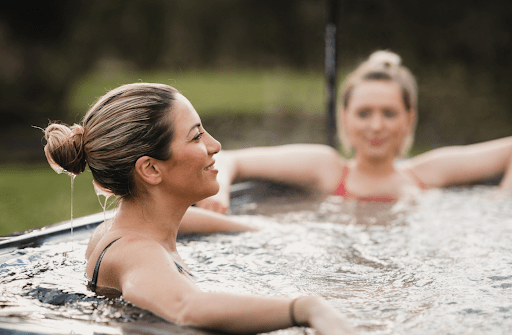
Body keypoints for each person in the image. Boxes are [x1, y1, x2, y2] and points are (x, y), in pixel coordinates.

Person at [43, 83, 354, 334]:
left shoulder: (122, 229)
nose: (215, 145)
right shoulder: (135, 252)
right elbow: (187, 307)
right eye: (196, 136)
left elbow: (191, 220)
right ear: (150, 169)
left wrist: (267, 230)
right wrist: (304, 309)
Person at [195, 50, 512, 211]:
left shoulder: (427, 173)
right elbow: (232, 158)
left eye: (389, 113)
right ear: (344, 117)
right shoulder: (327, 169)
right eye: (364, 113)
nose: (376, 125)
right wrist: (220, 190)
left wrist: (500, 208)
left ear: (408, 118)